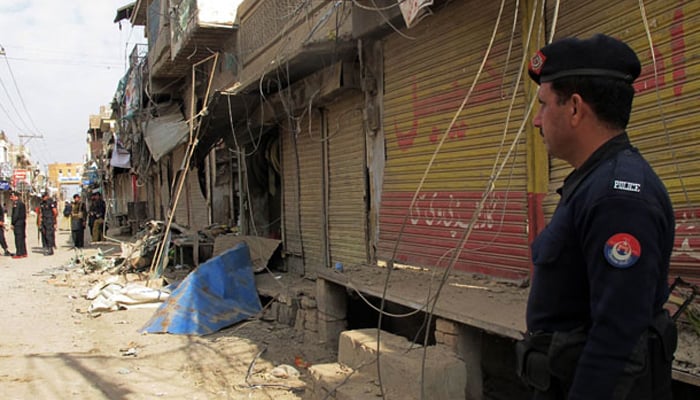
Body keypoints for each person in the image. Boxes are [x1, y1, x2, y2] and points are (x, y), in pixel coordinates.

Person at [516, 34, 676, 400]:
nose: (537, 122)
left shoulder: (617, 198)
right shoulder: (593, 183)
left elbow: (616, 343)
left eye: (543, 106)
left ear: (574, 108)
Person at [38, 191, 58, 256]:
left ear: (47, 196)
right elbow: (40, 213)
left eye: (44, 196)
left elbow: (55, 212)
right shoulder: (41, 203)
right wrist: (39, 222)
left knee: (49, 234)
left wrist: (54, 220)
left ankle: (50, 249)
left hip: (49, 220)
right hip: (44, 220)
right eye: (42, 197)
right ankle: (46, 247)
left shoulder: (50, 202)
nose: (43, 198)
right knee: (44, 234)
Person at [10, 191, 27, 258]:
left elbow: (16, 215)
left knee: (18, 238)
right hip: (22, 223)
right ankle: (23, 252)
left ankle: (19, 253)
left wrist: (12, 223)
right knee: (22, 238)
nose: (11, 198)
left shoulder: (16, 204)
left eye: (12, 196)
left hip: (18, 224)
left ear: (16, 197)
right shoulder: (22, 203)